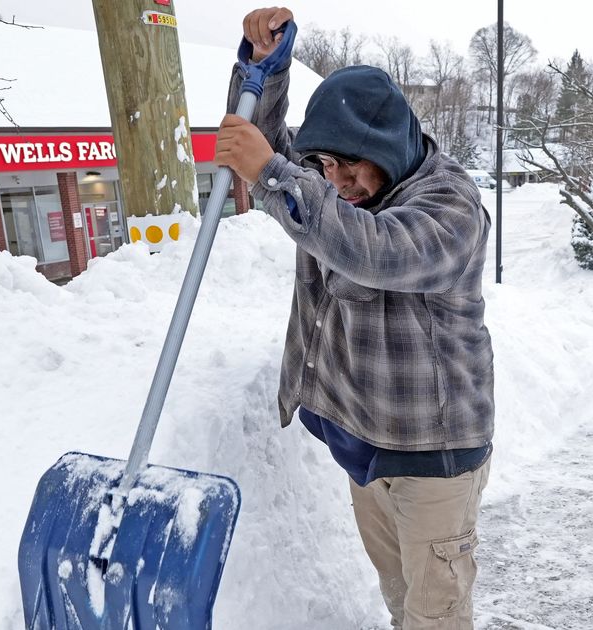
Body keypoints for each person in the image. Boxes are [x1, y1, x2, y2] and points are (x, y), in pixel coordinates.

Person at [214, 7, 495, 629]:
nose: (335, 183)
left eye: (349, 166)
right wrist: (264, 69)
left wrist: (274, 173)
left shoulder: (450, 204)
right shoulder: (328, 184)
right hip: (365, 447)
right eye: (325, 168)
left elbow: (375, 251)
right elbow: (274, 166)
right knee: (400, 598)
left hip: (432, 453)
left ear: (388, 148)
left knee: (437, 615)